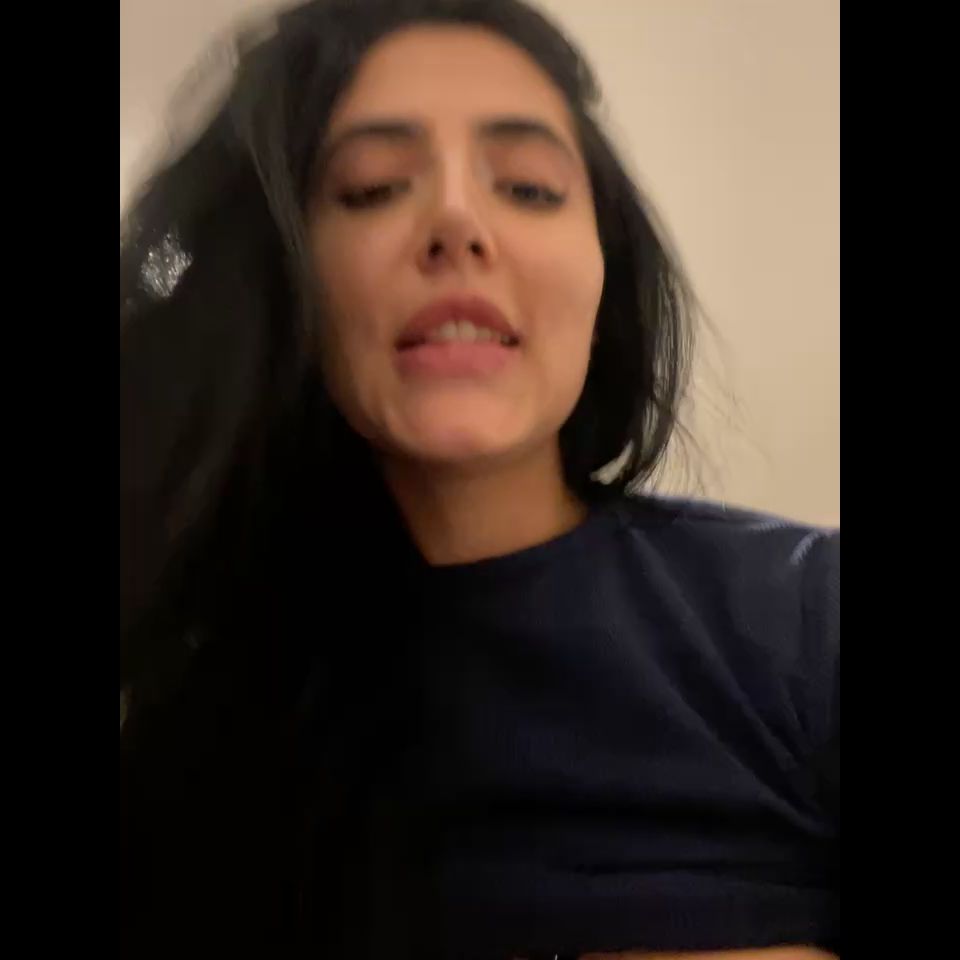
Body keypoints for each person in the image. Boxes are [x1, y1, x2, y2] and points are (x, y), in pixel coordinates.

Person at [120, 1, 839, 957]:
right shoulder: (195, 717)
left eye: (530, 188)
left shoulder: (808, 617)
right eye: (372, 188)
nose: (457, 223)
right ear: (291, 278)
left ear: (603, 275)